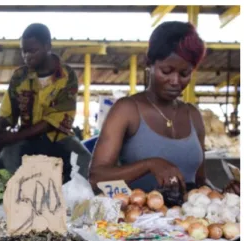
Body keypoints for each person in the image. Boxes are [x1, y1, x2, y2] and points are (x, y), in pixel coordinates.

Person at [88, 21, 239, 195]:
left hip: (188, 220)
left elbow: (199, 183)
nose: (175, 81)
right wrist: (149, 165)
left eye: (184, 74)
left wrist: (224, 195)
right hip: (139, 219)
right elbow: (96, 178)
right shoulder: (127, 110)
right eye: (166, 71)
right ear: (149, 63)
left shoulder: (193, 115)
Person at [0, 23, 91, 182]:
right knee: (6, 159)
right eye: (23, 51)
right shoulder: (20, 76)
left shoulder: (66, 75)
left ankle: (79, 202)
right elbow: (9, 114)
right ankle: (10, 200)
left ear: (47, 46)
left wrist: (13, 137)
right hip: (26, 139)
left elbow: (53, 122)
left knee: (85, 161)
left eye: (33, 51)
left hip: (60, 138)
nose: (27, 56)